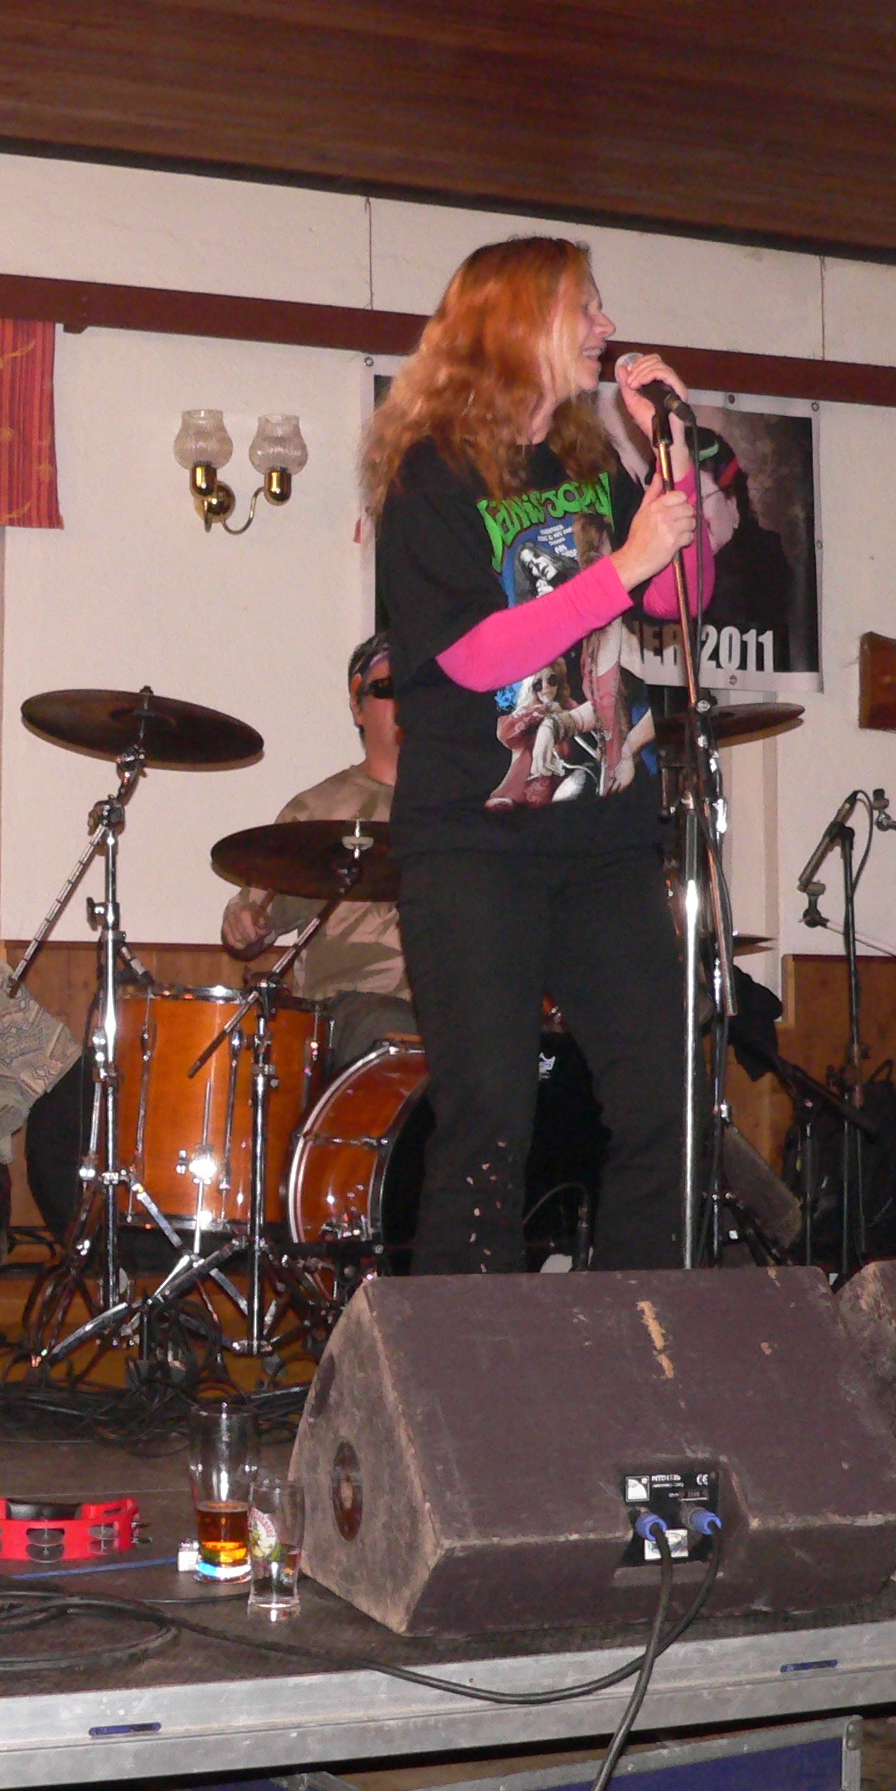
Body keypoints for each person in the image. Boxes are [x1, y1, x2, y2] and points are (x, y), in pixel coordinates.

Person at [364, 235, 706, 1275]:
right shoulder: (430, 475)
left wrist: (671, 454)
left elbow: (681, 598)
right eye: (585, 305)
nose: (608, 325)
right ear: (518, 322)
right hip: (474, 842)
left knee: (666, 1099)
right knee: (488, 1117)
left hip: (604, 834)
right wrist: (622, 569)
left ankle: (644, 1328)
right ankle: (467, 1355)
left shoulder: (588, 462)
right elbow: (471, 657)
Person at [221, 633, 414, 1075]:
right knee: (389, 1026)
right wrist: (244, 922)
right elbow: (257, 912)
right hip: (355, 1007)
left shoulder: (471, 804)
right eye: (388, 688)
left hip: (455, 1002)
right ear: (357, 707)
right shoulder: (318, 811)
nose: (406, 702)